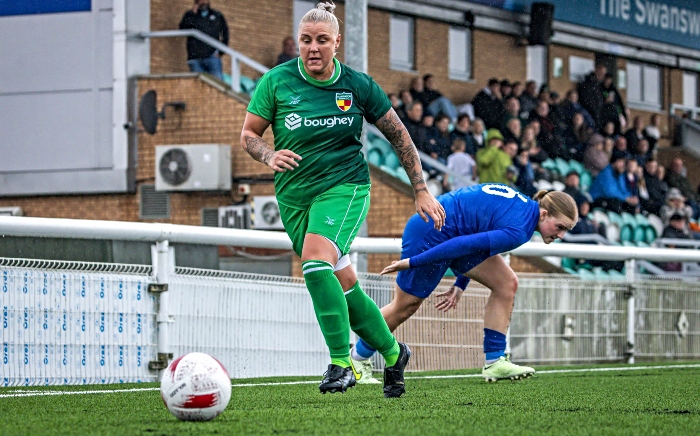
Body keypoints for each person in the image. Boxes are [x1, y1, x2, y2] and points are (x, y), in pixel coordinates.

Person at [239, 2, 445, 398]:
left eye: (321, 40)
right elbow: (249, 134)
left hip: (345, 188)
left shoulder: (357, 85)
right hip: (295, 198)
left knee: (315, 264)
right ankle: (392, 351)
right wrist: (268, 154)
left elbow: (399, 135)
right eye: (305, 40)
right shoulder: (277, 81)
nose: (312, 47)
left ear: (337, 43)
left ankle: (341, 362)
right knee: (344, 283)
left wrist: (420, 188)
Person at [349, 184, 578, 383]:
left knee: (506, 284)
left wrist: (460, 284)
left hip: (441, 229)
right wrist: (412, 262)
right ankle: (356, 359)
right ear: (545, 214)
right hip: (431, 232)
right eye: (560, 227)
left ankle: (495, 361)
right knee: (404, 306)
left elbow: (472, 235)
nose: (562, 235)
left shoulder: (522, 208)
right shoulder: (519, 230)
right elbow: (462, 243)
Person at [179, 0, 229, 81]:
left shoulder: (217, 15)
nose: (203, 2)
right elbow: (182, 29)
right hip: (195, 58)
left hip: (212, 56)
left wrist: (221, 52)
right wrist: (193, 14)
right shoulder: (190, 15)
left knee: (218, 83)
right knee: (198, 85)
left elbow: (225, 33)